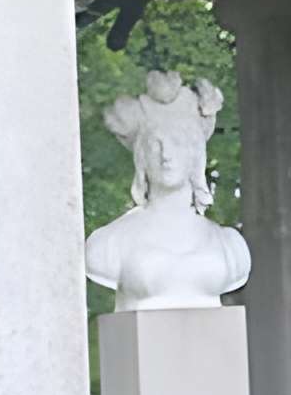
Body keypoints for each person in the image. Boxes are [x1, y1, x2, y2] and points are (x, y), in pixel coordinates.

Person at [83, 70, 251, 310]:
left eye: (178, 143)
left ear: (195, 155)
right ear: (142, 157)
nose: (166, 155)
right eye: (155, 145)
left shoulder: (230, 245)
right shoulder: (109, 244)